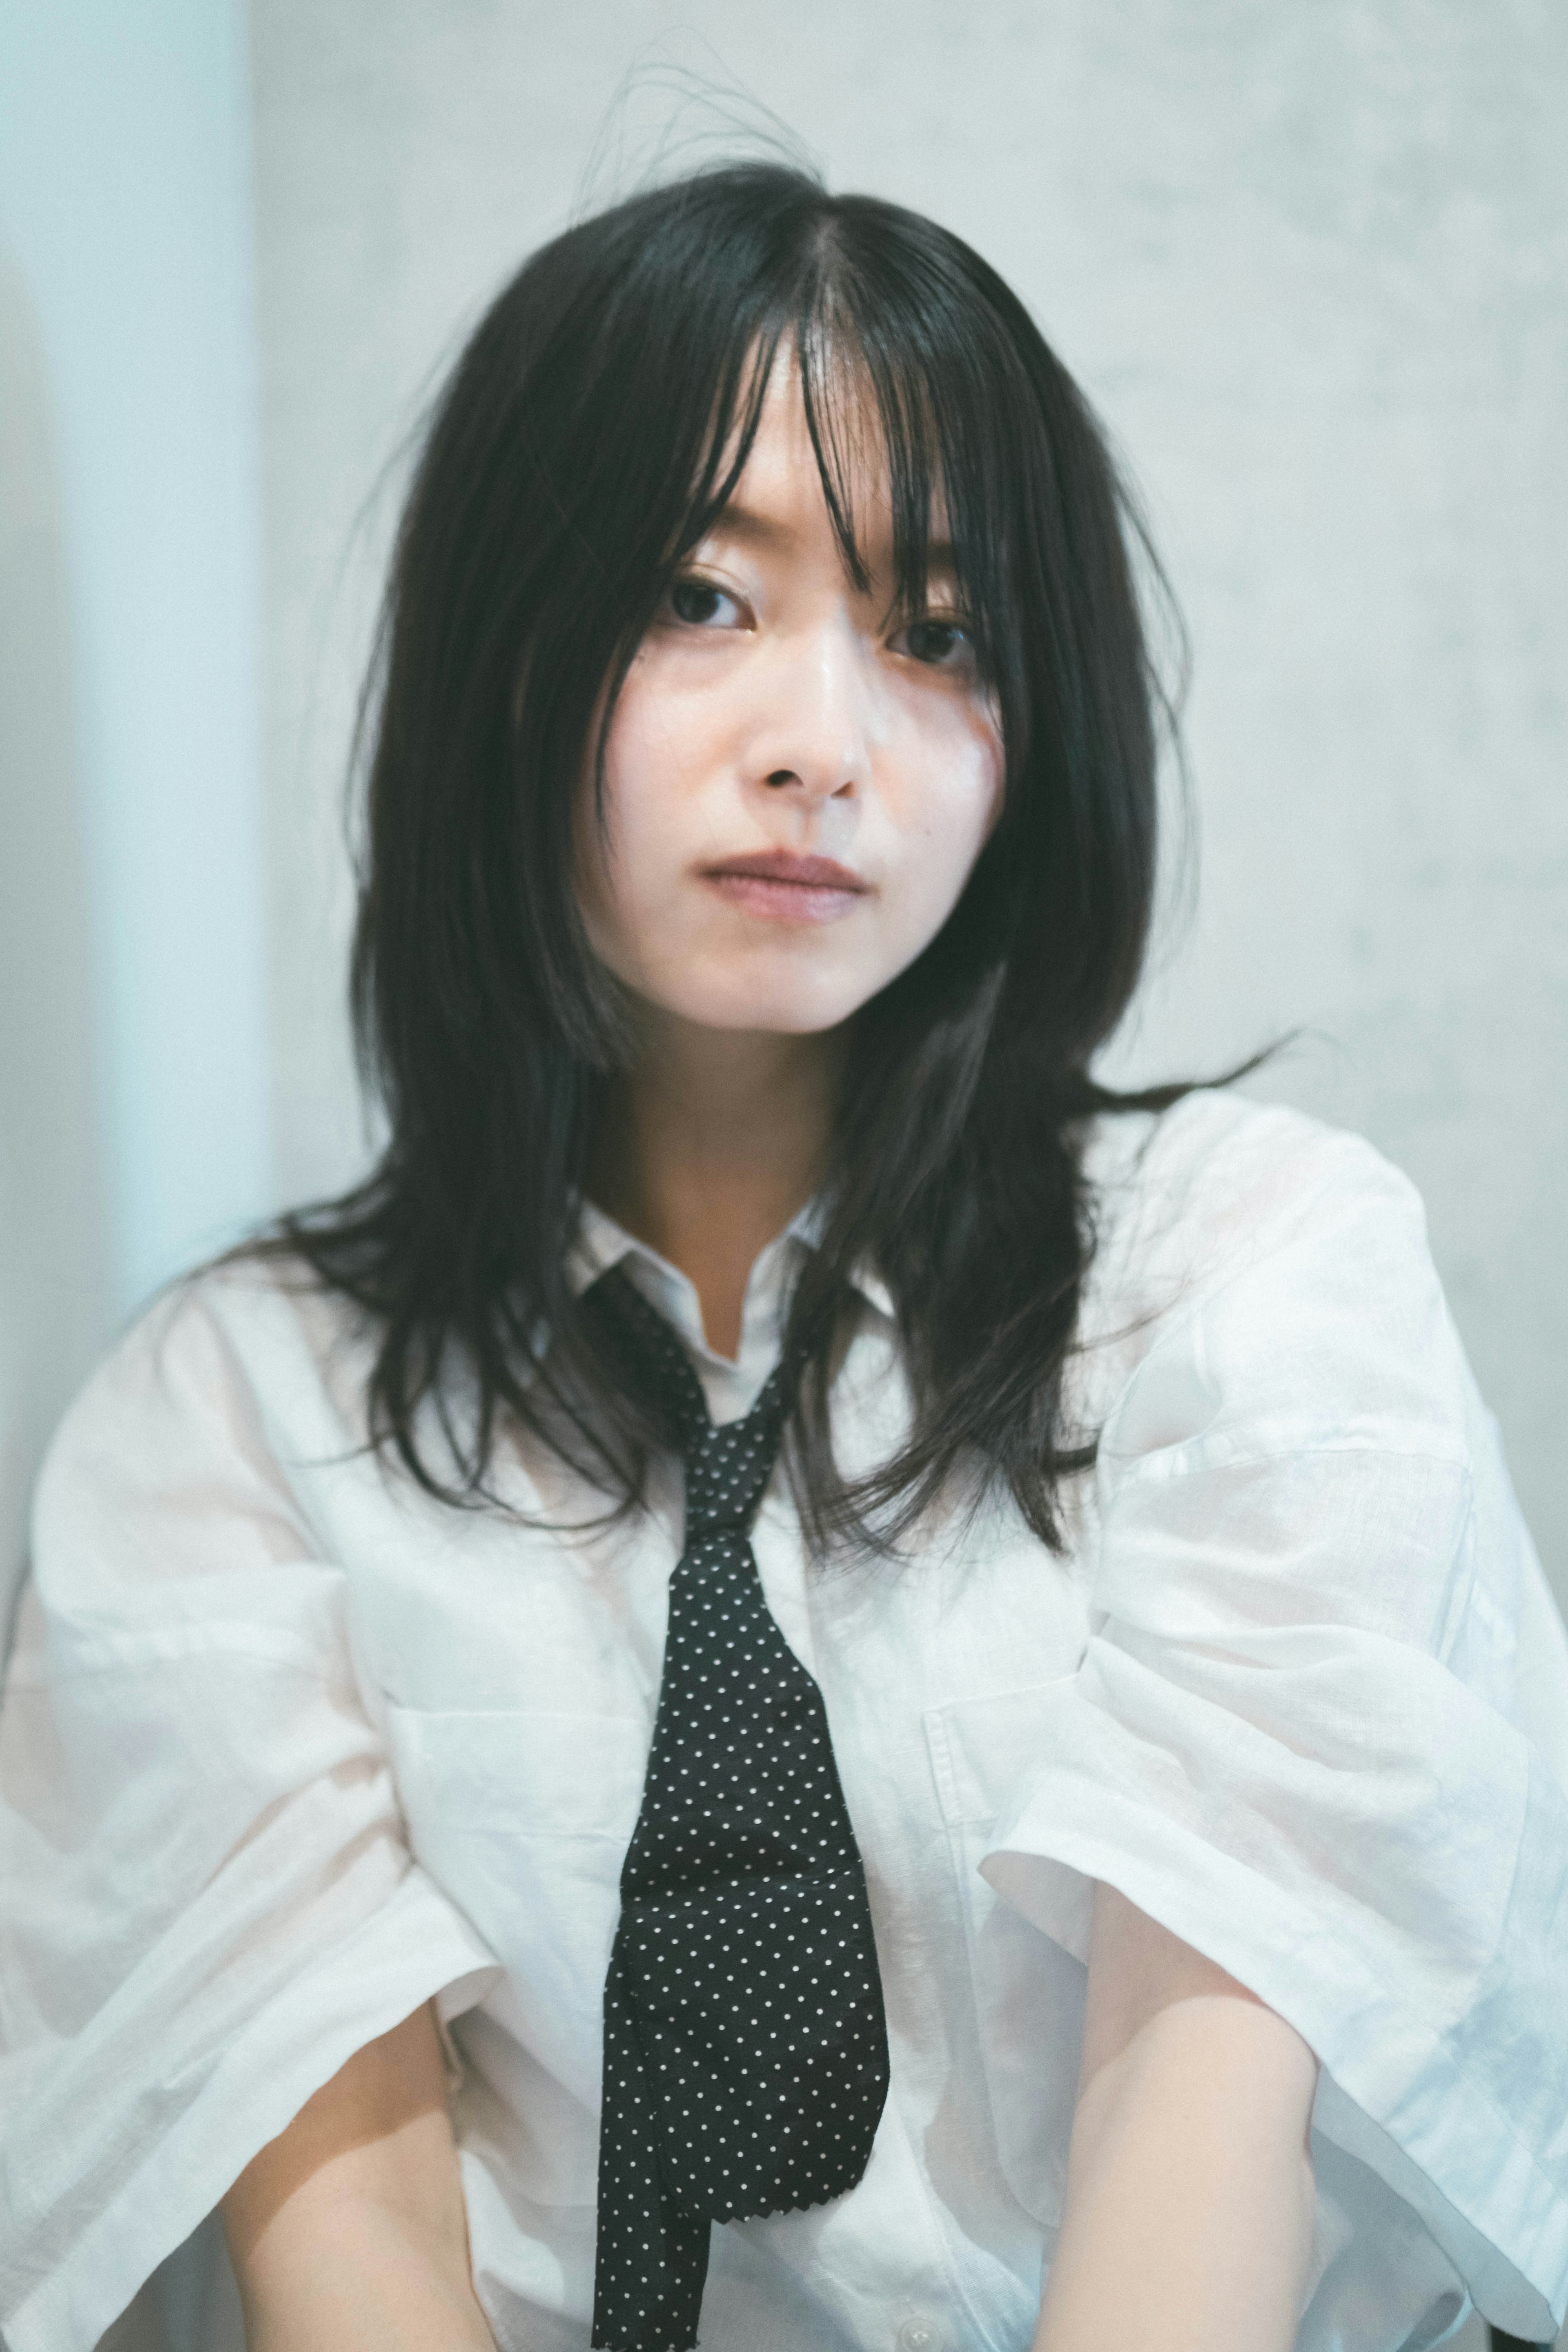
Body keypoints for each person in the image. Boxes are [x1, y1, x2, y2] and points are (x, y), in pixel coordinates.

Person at [1, 161, 1565, 2352]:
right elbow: (341, 2245)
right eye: (699, 596)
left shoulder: (1254, 1278)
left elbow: (1206, 2112)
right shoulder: (230, 1419)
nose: (824, 745)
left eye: (939, 632)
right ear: (503, 652)